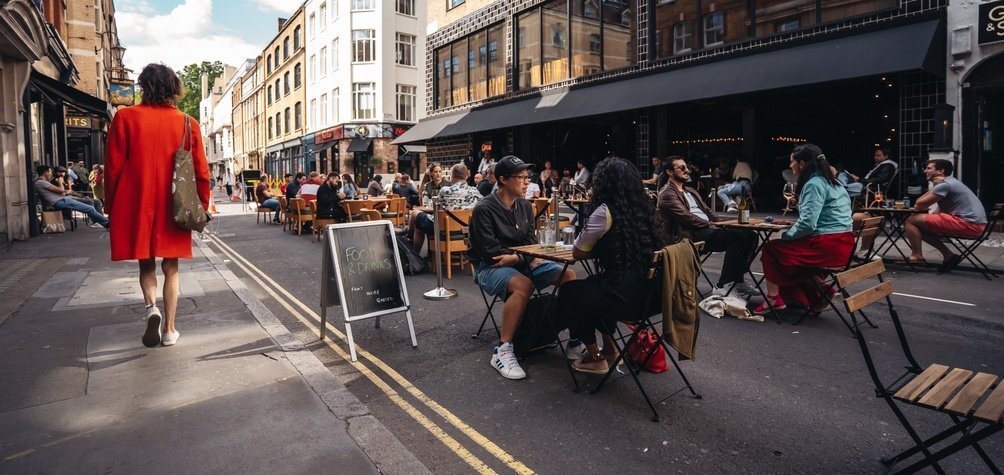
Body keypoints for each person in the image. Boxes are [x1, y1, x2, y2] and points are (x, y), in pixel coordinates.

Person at [105, 63, 211, 348]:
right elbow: (201, 170)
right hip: (173, 202)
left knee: (146, 263)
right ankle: (170, 329)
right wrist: (202, 204)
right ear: (174, 88)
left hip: (136, 200)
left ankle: (151, 307)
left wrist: (110, 205)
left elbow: (113, 168)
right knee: (172, 267)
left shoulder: (124, 117)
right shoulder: (188, 123)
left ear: (144, 87)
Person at [468, 156, 576, 380]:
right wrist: (521, 257)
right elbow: (491, 254)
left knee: (569, 275)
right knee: (523, 285)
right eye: (521, 177)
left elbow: (530, 243)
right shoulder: (484, 209)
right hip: (488, 268)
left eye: (528, 177)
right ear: (503, 180)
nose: (527, 182)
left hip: (523, 261)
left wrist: (516, 257)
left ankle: (576, 339)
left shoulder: (526, 206)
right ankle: (503, 349)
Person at [560, 157, 667, 374]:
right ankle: (611, 348)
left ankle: (595, 356)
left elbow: (578, 251)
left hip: (625, 299)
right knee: (592, 288)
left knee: (570, 292)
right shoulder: (645, 209)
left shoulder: (604, 212)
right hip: (653, 297)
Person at [756, 144, 853, 315]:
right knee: (793, 254)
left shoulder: (813, 184)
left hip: (828, 246)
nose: (789, 165)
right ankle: (823, 290)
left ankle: (773, 299)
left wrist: (787, 235)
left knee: (771, 249)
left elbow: (808, 224)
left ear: (801, 164)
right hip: (844, 244)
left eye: (791, 162)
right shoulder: (833, 181)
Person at [658, 157, 759, 297]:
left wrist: (735, 221)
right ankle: (723, 285)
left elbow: (710, 213)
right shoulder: (667, 194)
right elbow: (687, 218)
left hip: (707, 229)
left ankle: (737, 280)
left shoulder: (691, 191)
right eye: (682, 168)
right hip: (690, 236)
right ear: (669, 172)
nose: (687, 170)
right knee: (738, 237)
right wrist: (714, 225)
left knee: (751, 235)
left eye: (686, 167)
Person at [902, 159, 987, 270]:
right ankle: (948, 255)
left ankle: (917, 256)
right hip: (975, 224)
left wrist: (934, 187)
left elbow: (919, 205)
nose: (924, 171)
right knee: (920, 227)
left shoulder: (945, 185)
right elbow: (939, 211)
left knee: (910, 220)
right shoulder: (951, 182)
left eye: (929, 168)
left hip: (969, 224)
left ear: (941, 171)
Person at [409, 164, 481, 252]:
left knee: (418, 223)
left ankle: (415, 255)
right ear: (467, 176)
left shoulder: (445, 190)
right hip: (466, 231)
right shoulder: (474, 191)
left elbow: (435, 207)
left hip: (442, 231)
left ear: (452, 176)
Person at [35, 165, 109, 229]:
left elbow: (62, 192)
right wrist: (60, 182)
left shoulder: (44, 182)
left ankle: (104, 223)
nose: (50, 174)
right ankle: (106, 223)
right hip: (60, 201)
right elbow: (61, 190)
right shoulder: (41, 182)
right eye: (49, 171)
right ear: (46, 172)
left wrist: (73, 193)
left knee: (91, 205)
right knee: (89, 208)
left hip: (64, 199)